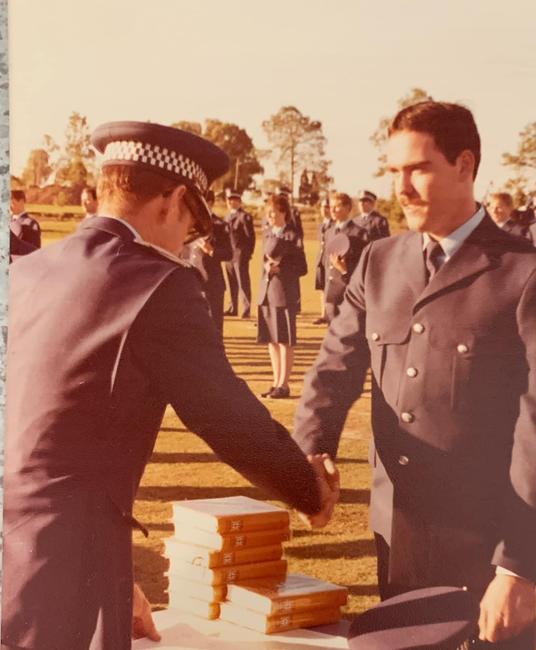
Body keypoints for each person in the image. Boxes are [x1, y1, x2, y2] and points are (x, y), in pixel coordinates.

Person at [2, 121, 337, 650]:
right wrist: (306, 487)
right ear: (174, 199)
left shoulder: (28, 270)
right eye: (190, 223)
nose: (186, 240)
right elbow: (223, 414)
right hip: (69, 553)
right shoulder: (157, 282)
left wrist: (112, 568)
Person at [294, 100, 536, 648]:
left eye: (417, 169)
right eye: (393, 171)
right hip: (395, 531)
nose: (401, 188)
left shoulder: (529, 273)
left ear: (465, 165)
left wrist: (518, 568)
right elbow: (334, 366)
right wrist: (312, 446)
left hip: (484, 545)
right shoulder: (379, 261)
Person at [257, 194, 308, 399]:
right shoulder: (268, 233)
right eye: (268, 212)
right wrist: (266, 266)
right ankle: (275, 381)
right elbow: (263, 258)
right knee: (272, 339)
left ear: (283, 213)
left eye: (274, 212)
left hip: (284, 293)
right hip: (267, 292)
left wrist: (281, 268)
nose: (269, 215)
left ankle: (284, 385)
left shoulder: (293, 235)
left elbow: (302, 268)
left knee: (284, 339)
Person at [179, 190, 233, 338]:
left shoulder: (220, 225)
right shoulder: (186, 224)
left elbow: (229, 254)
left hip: (212, 283)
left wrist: (211, 251)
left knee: (214, 328)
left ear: (210, 203)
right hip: (189, 283)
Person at [322, 191, 369, 322]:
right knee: (332, 334)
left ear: (348, 208)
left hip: (348, 291)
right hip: (331, 293)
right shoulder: (329, 232)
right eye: (330, 206)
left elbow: (363, 265)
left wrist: (345, 270)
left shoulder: (359, 233)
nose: (332, 209)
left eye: (337, 206)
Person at [224, 189, 255, 318]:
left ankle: (246, 308)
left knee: (243, 281)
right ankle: (233, 307)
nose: (232, 202)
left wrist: (248, 253)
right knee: (231, 282)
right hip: (228, 254)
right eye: (230, 200)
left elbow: (250, 237)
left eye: (235, 200)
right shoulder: (226, 216)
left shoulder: (244, 217)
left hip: (240, 253)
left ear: (240, 202)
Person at [313, 197, 333, 325]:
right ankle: (323, 314)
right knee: (322, 288)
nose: (324, 210)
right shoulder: (322, 225)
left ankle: (330, 315)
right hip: (321, 260)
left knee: (330, 289)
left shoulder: (335, 224)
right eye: (322, 207)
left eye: (327, 207)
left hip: (330, 261)